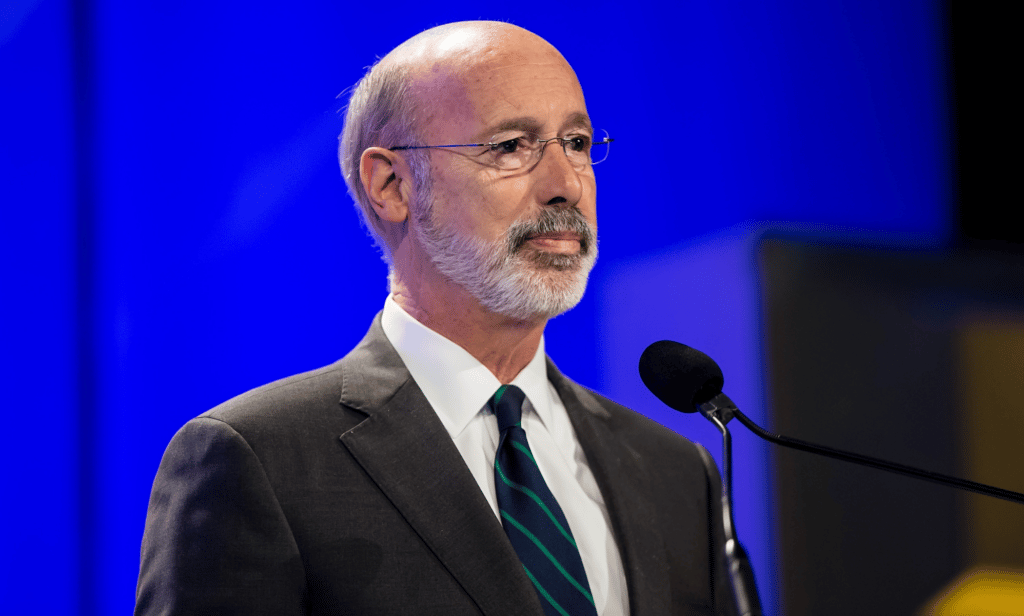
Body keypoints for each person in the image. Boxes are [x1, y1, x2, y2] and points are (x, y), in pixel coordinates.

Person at [135, 21, 737, 616]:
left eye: (577, 144)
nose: (565, 187)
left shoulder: (677, 473)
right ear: (392, 185)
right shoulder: (260, 459)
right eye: (510, 147)